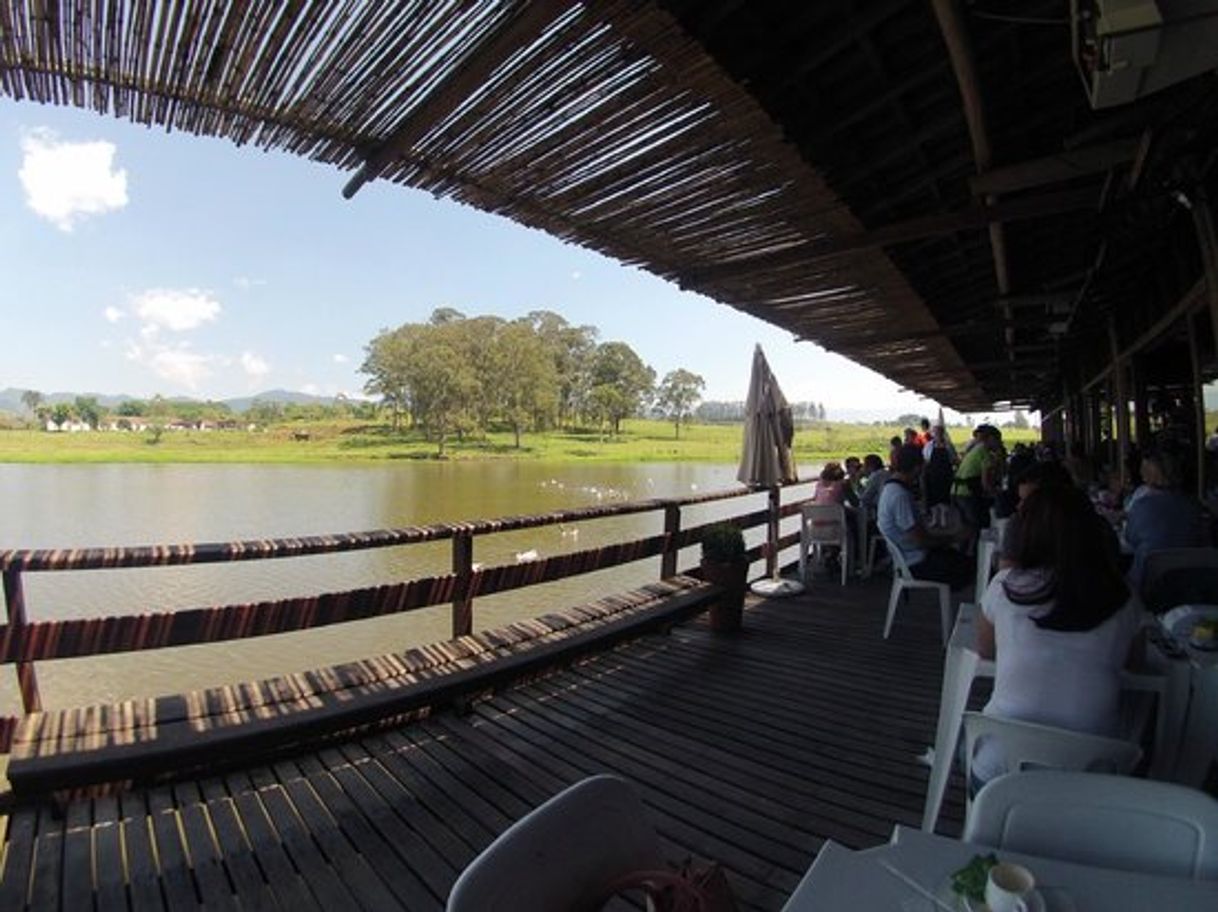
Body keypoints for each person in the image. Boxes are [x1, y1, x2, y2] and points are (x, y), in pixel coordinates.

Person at [973, 485, 1144, 788]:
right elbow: (1136, 665)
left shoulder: (1006, 586)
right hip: (1092, 770)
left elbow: (985, 650)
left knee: (970, 749)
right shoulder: (1123, 596)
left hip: (1001, 771)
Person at [878, 445, 973, 588]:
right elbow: (920, 540)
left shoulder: (890, 489)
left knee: (964, 561)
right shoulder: (900, 496)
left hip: (909, 557)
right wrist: (954, 537)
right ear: (917, 468)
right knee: (976, 568)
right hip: (916, 562)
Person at [1124, 451, 1211, 589]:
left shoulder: (1142, 505)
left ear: (1149, 476)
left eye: (1144, 472)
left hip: (1147, 583)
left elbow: (1130, 538)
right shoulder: (1193, 506)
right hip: (1192, 583)